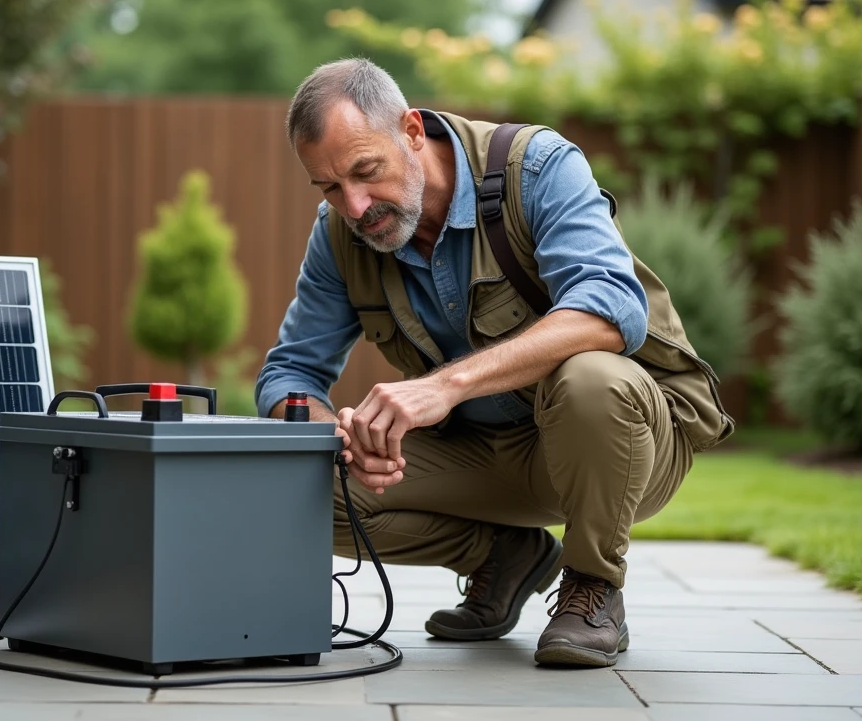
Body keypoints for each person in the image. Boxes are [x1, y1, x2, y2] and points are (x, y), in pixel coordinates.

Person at [255, 58, 733, 667]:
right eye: (329, 187)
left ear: (409, 129)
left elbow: (611, 307)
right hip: (484, 455)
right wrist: (335, 436)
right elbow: (288, 372)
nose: (354, 205)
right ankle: (503, 554)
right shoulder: (340, 235)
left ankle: (592, 588)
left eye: (365, 172)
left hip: (622, 443)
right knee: (292, 479)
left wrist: (446, 387)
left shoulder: (535, 167)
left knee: (591, 377)